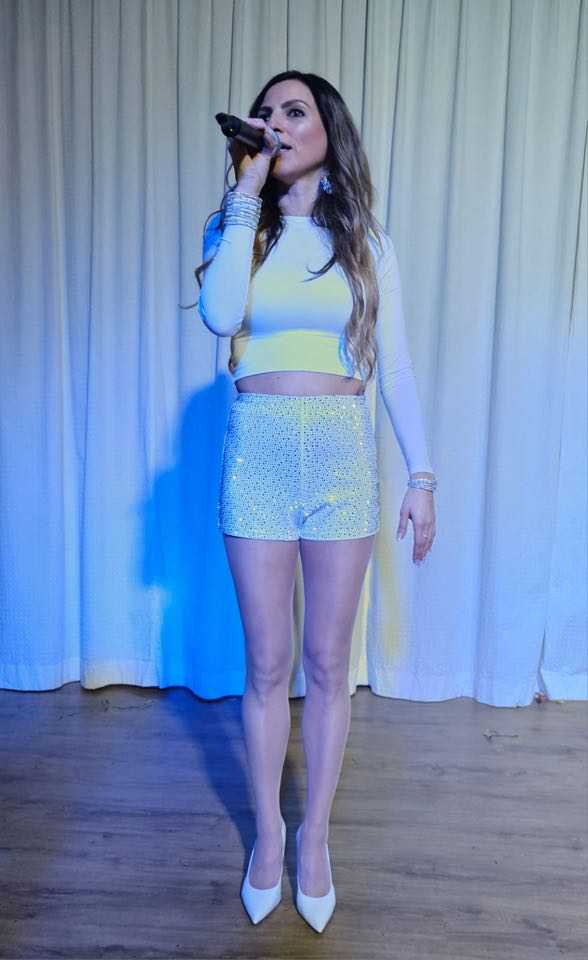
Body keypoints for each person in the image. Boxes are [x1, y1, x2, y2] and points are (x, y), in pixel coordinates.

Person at [195, 70, 437, 933]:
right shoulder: (238, 227)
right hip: (258, 448)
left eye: (294, 112)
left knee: (329, 665)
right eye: (265, 114)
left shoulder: (366, 239)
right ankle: (268, 836)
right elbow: (220, 316)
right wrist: (245, 194)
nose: (276, 123)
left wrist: (422, 477)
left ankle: (316, 839)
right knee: (267, 664)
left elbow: (394, 366)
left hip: (341, 451)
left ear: (329, 130)